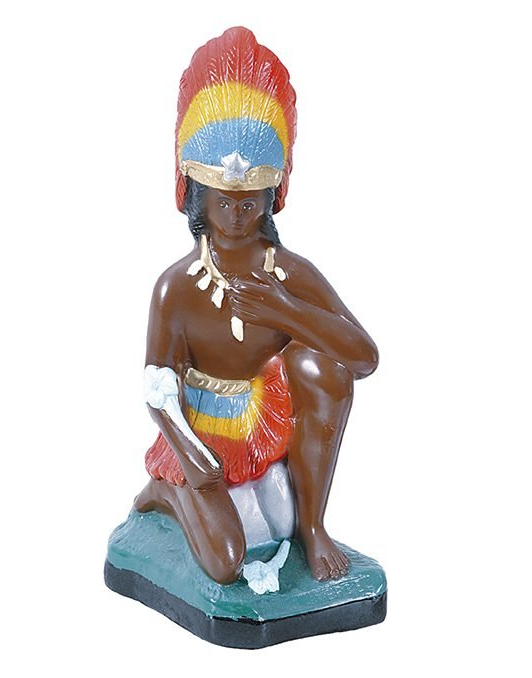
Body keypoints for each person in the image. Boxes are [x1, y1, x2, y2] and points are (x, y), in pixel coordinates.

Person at [132, 27, 378, 584]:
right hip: (199, 436)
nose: (237, 216)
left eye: (250, 201)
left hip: (264, 421)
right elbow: (157, 384)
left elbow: (363, 357)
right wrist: (192, 459)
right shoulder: (176, 286)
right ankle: (167, 492)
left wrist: (284, 310)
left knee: (285, 518)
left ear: (272, 196)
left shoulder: (288, 272)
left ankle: (312, 525)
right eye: (224, 201)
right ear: (198, 197)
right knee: (226, 563)